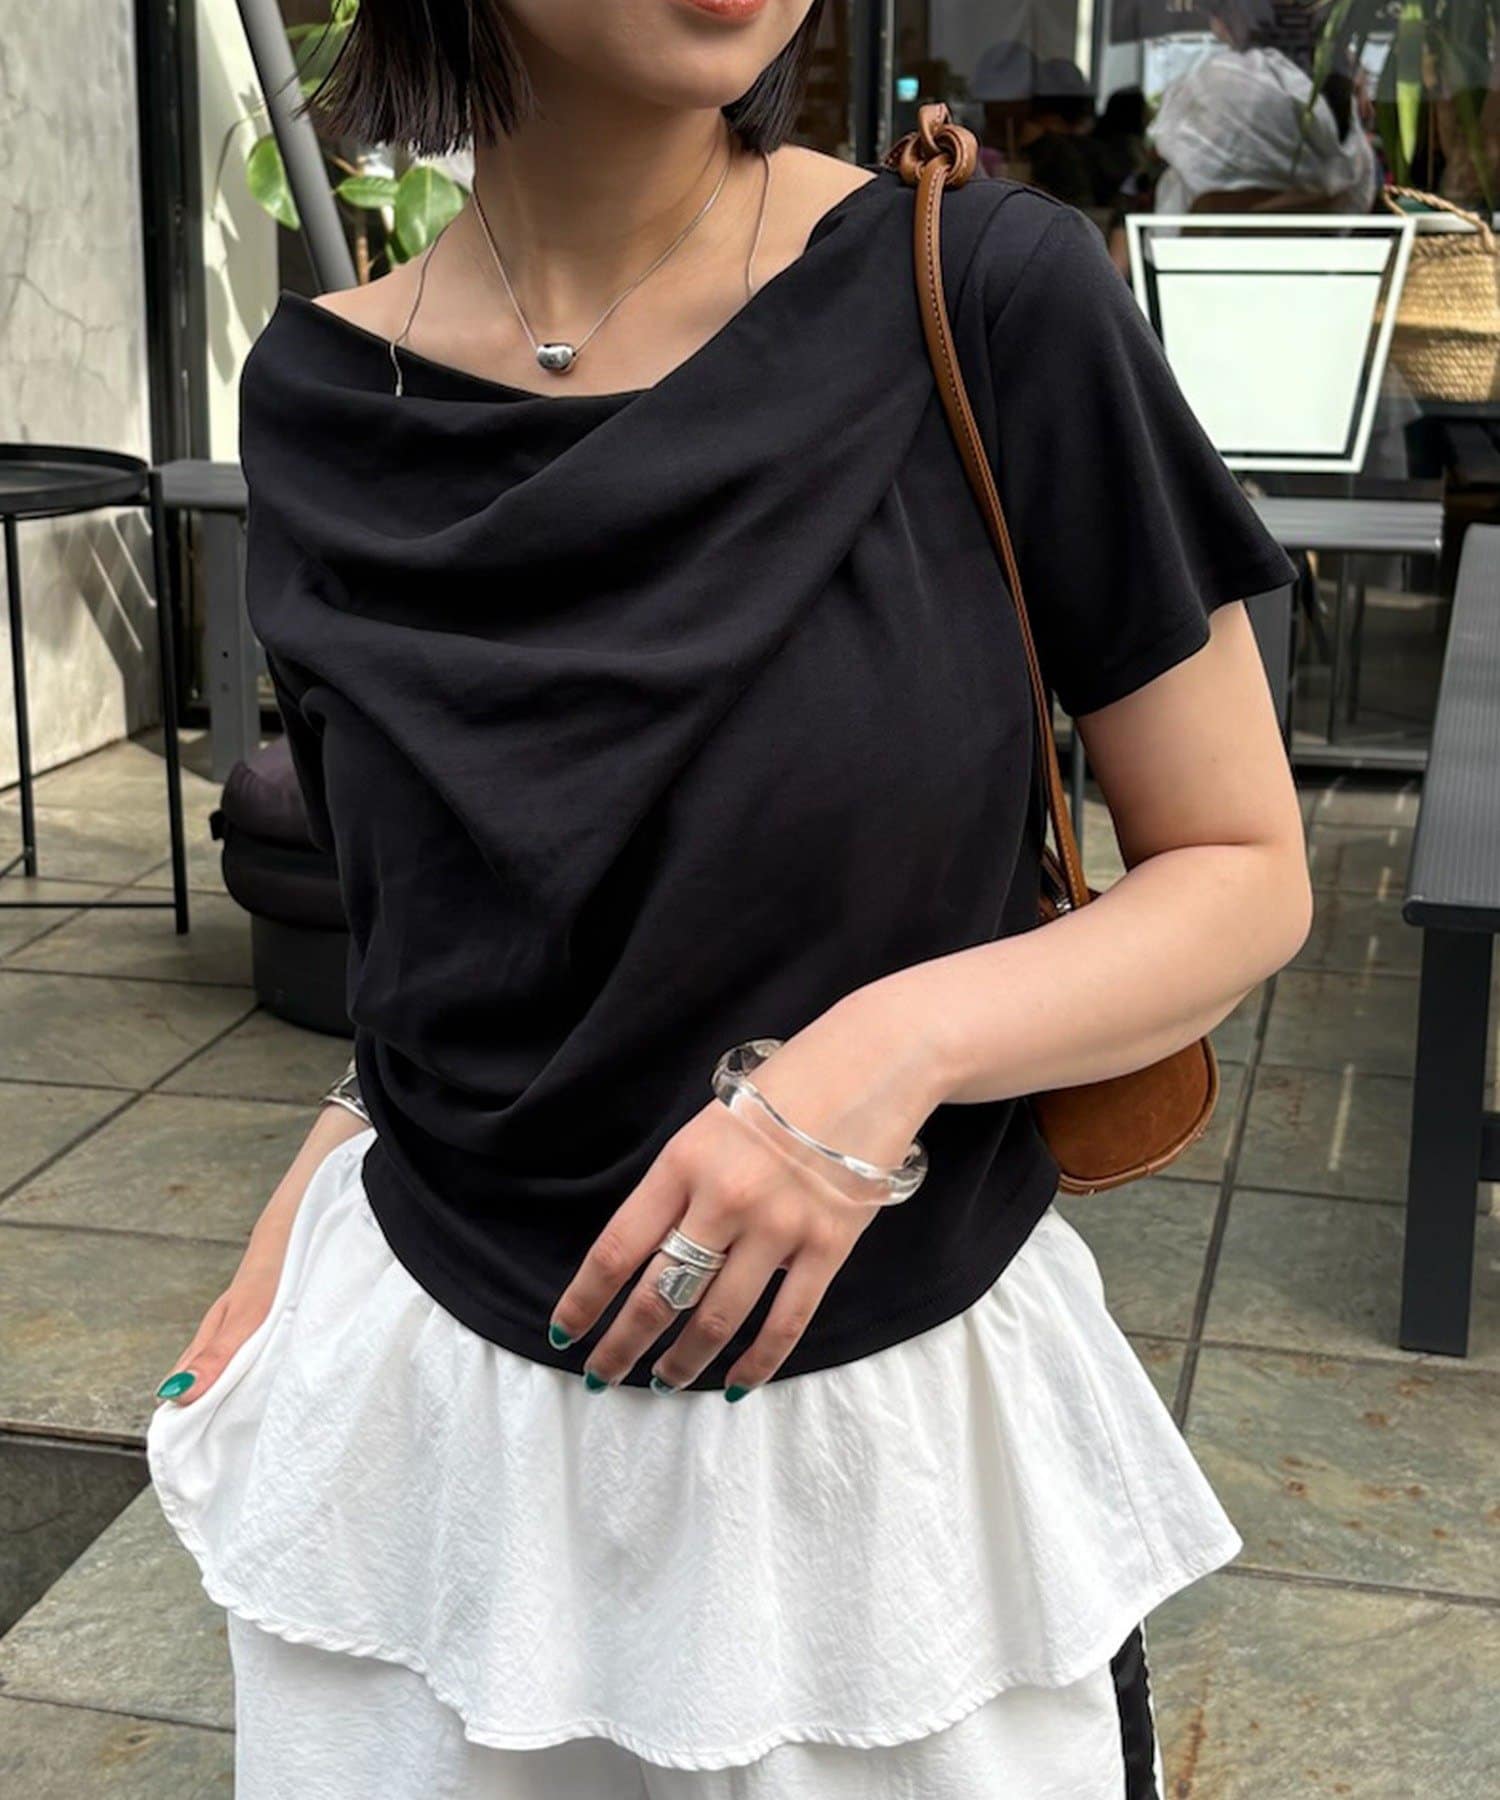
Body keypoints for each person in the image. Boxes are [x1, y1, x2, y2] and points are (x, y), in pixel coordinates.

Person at [146, 3, 1311, 1796]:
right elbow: (454, 918)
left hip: (880, 1473)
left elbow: (1240, 868)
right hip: (431, 1444)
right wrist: (338, 1157)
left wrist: (883, 1058)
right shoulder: (316, 396)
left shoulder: (986, 297)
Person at [1150, 0, 1377, 213]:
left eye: (1215, 11)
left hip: (1211, 237)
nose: (1212, 24)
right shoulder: (1328, 85)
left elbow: (1185, 160)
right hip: (1317, 238)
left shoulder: (1226, 82)